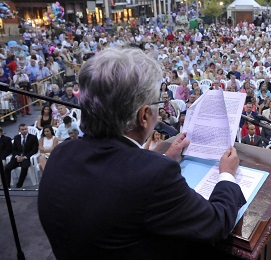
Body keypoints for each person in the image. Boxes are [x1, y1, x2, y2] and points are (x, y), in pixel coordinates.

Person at [38, 48, 246, 259]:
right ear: (144, 116)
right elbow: (215, 223)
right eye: (156, 104)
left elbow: (111, 189)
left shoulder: (60, 154)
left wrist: (163, 158)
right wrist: (227, 175)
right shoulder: (153, 175)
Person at [4, 124, 39, 188]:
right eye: (22, 129)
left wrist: (25, 157)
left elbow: (35, 150)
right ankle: (7, 185)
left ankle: (19, 184)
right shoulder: (16, 137)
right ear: (19, 130)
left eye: (25, 129)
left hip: (27, 157)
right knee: (7, 168)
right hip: (17, 157)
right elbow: (13, 149)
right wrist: (17, 156)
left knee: (24, 167)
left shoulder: (33, 137)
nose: (24, 131)